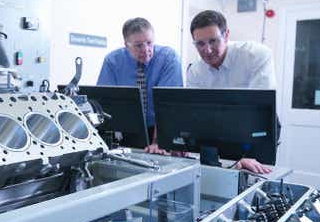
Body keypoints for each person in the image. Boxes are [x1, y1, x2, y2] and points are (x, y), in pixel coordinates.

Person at [187, 10, 277, 173]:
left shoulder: (255, 55)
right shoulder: (195, 71)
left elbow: (259, 110)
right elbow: (198, 116)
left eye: (213, 41)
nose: (207, 50)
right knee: (212, 175)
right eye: (200, 44)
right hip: (216, 126)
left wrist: (241, 155)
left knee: (252, 178)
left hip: (256, 123)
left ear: (226, 35)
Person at [97, 17, 183, 146]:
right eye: (138, 45)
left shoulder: (168, 58)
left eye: (149, 42)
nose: (146, 49)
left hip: (161, 127)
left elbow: (167, 105)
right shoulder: (113, 61)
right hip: (128, 128)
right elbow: (105, 102)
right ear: (126, 44)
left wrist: (157, 142)